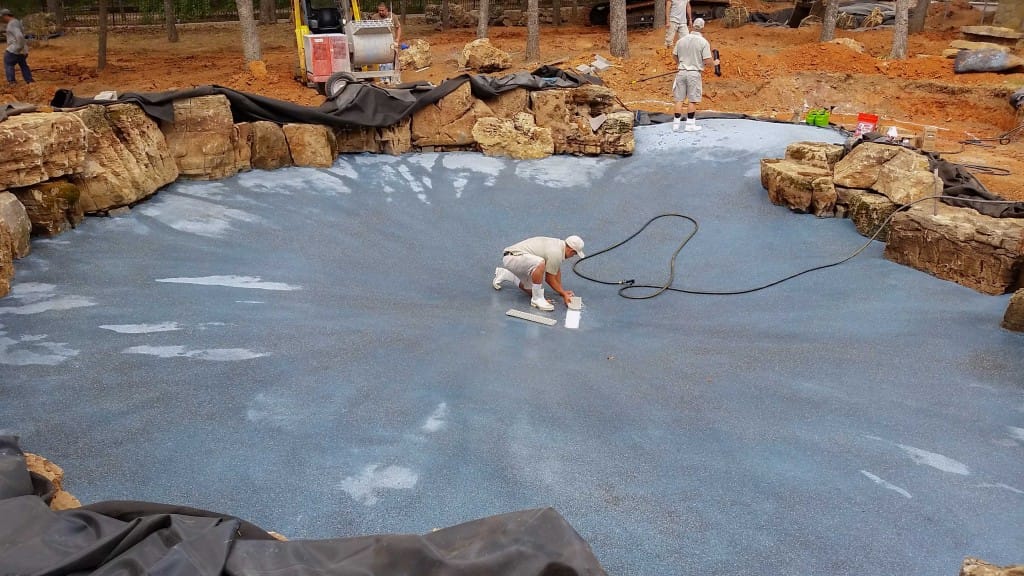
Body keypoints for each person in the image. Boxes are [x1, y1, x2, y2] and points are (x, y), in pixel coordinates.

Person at [493, 235, 585, 312]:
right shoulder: (556, 252)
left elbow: (555, 270)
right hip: (513, 258)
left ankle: (507, 274)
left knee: (530, 290)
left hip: (517, 258)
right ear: (571, 250)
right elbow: (549, 279)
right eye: (574, 254)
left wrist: (562, 291)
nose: (573, 256)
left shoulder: (559, 245)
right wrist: (564, 294)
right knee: (540, 263)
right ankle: (537, 299)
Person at [671, 17, 715, 133]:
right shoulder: (703, 42)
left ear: (692, 26)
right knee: (692, 100)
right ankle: (690, 125)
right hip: (694, 74)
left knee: (679, 99)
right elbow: (707, 60)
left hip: (681, 72)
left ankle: (676, 125)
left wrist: (681, 63)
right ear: (703, 28)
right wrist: (715, 63)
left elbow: (674, 55)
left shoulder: (681, 40)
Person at [2, 9, 33, 86]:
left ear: (6, 16)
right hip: (22, 50)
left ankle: (12, 82)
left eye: (2, 17)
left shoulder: (12, 23)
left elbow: (19, 36)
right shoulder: (17, 22)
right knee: (23, 65)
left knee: (8, 63)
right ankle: (29, 80)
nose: (2, 19)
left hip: (14, 49)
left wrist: (18, 47)